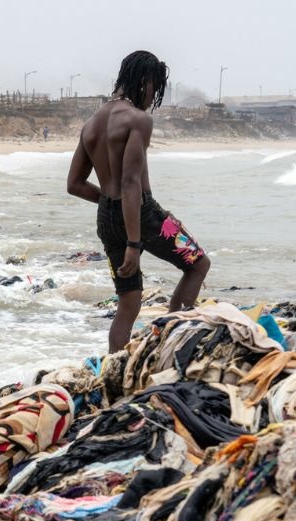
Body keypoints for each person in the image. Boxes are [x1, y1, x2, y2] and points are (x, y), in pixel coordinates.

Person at [66, 50, 210, 354]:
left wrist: (111, 206)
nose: (153, 96)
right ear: (144, 80)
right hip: (144, 215)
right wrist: (133, 241)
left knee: (128, 302)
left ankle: (114, 369)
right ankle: (173, 346)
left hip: (107, 218)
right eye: (155, 88)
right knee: (197, 264)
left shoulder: (91, 124)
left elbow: (75, 185)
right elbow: (131, 182)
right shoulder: (138, 120)